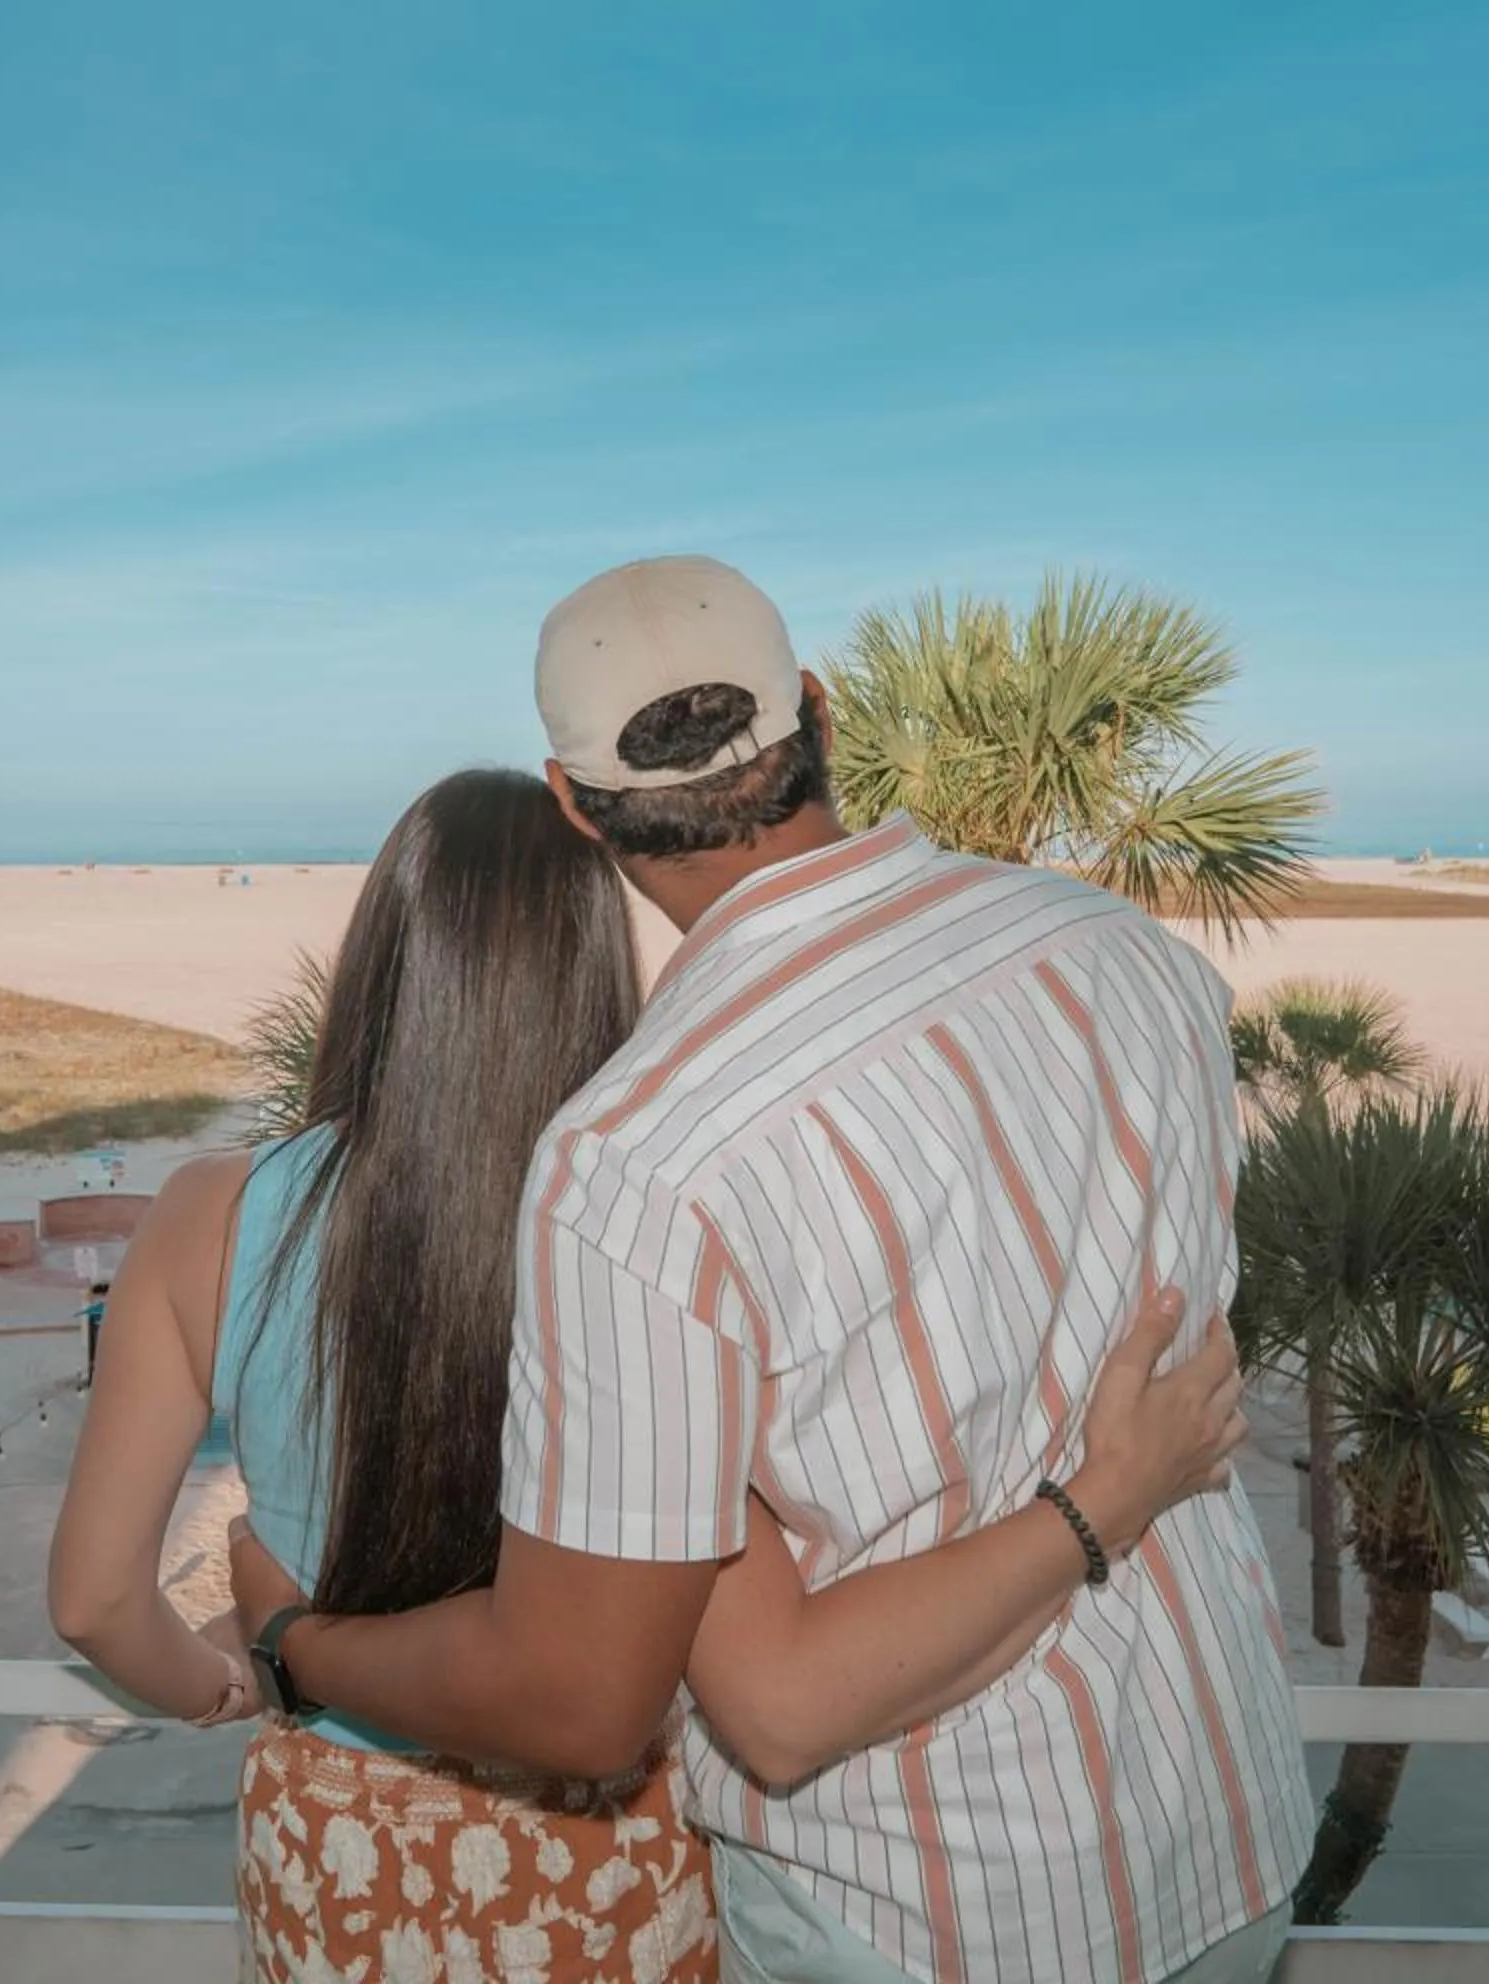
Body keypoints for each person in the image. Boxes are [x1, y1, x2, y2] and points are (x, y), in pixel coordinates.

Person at [233, 558, 1312, 1983]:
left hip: (929, 1909)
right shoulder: (1129, 959)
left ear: (576, 801)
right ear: (816, 707)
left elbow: (622, 1702)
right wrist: (1107, 1496)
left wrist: (299, 1645)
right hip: (1222, 1829)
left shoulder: (639, 1157)